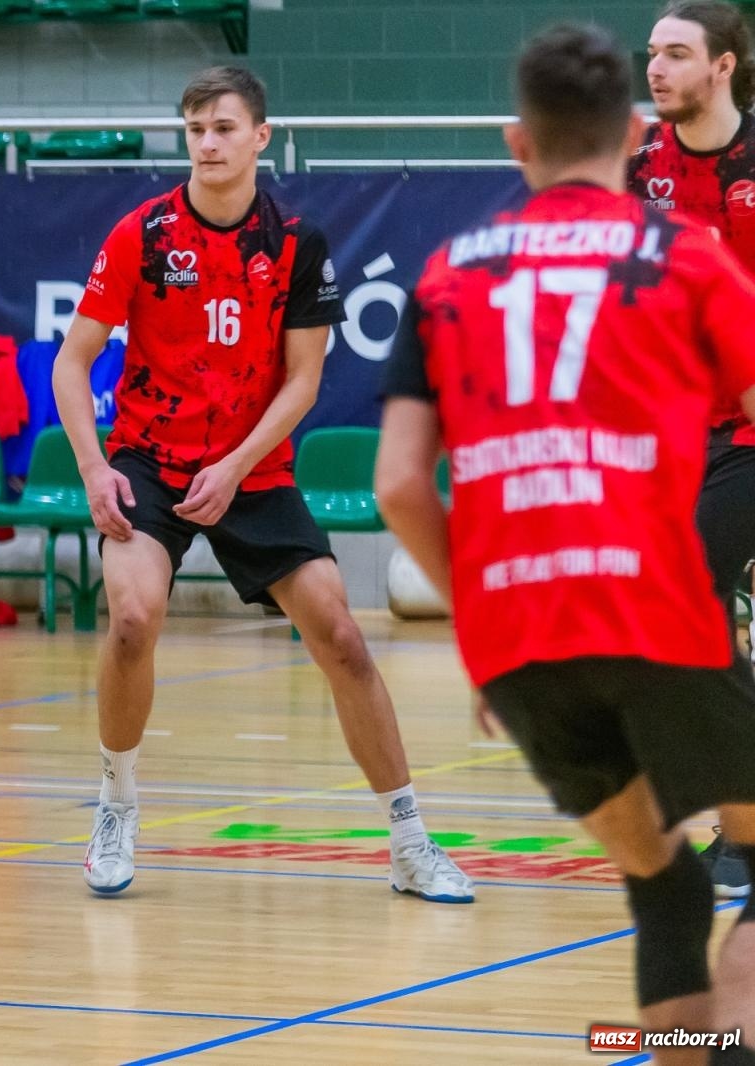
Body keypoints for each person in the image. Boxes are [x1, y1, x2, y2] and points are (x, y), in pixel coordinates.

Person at [377, 24, 755, 1060]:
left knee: (664, 879)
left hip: (519, 641)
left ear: (515, 144)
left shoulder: (449, 273)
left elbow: (400, 484)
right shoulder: (679, 253)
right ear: (633, 136)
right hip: (653, 606)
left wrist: (481, 622)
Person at [52, 66, 473, 904]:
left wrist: (236, 465)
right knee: (133, 619)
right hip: (146, 459)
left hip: (251, 465)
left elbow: (304, 381)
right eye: (195, 128)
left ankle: (408, 840)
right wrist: (96, 469)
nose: (207, 142)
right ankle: (116, 806)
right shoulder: (141, 233)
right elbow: (72, 360)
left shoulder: (295, 242)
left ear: (260, 137)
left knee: (344, 638)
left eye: (223, 127)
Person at [628, 0, 755, 899]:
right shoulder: (640, 173)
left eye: (676, 53)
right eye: (650, 54)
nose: (656, 68)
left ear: (726, 66)